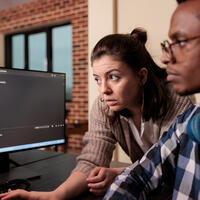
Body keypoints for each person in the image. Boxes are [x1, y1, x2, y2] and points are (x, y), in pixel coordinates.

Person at [0, 28, 193, 200]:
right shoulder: (103, 106)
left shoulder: (176, 99)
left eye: (113, 77)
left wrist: (118, 173)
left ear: (141, 76)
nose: (103, 90)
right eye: (97, 79)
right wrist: (54, 196)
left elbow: (172, 165)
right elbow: (93, 159)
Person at [103, 0, 200, 199]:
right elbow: (138, 176)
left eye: (180, 42)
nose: (165, 58)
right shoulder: (187, 124)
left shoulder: (178, 107)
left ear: (141, 76)